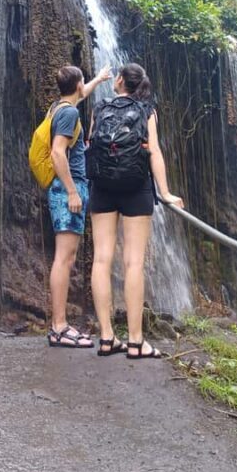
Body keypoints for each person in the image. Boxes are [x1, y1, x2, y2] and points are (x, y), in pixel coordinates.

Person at [89, 63, 184, 359]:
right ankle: (135, 341)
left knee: (102, 259)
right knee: (133, 263)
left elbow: (91, 146)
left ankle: (106, 338)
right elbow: (153, 151)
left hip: (102, 187)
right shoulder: (146, 111)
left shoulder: (99, 107)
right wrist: (165, 192)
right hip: (136, 189)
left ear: (118, 81)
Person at [47, 63, 111, 348]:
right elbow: (57, 153)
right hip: (66, 190)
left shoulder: (59, 107)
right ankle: (58, 327)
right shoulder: (69, 113)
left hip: (66, 188)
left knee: (66, 256)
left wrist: (98, 79)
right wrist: (73, 192)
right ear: (76, 85)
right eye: (83, 83)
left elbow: (80, 95)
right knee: (65, 257)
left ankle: (59, 324)